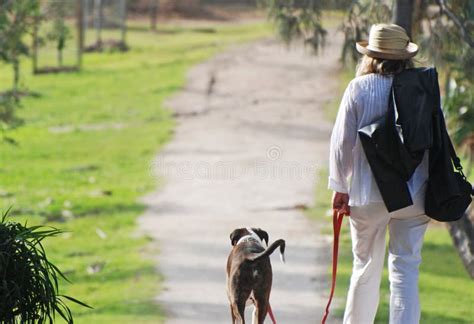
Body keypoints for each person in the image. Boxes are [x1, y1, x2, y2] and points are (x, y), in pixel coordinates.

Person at [328, 24, 431, 324]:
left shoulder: (358, 89)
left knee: (365, 268)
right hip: (415, 196)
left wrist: (340, 187)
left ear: (370, 56)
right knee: (406, 269)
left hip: (367, 194)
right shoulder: (423, 89)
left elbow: (340, 145)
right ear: (405, 57)